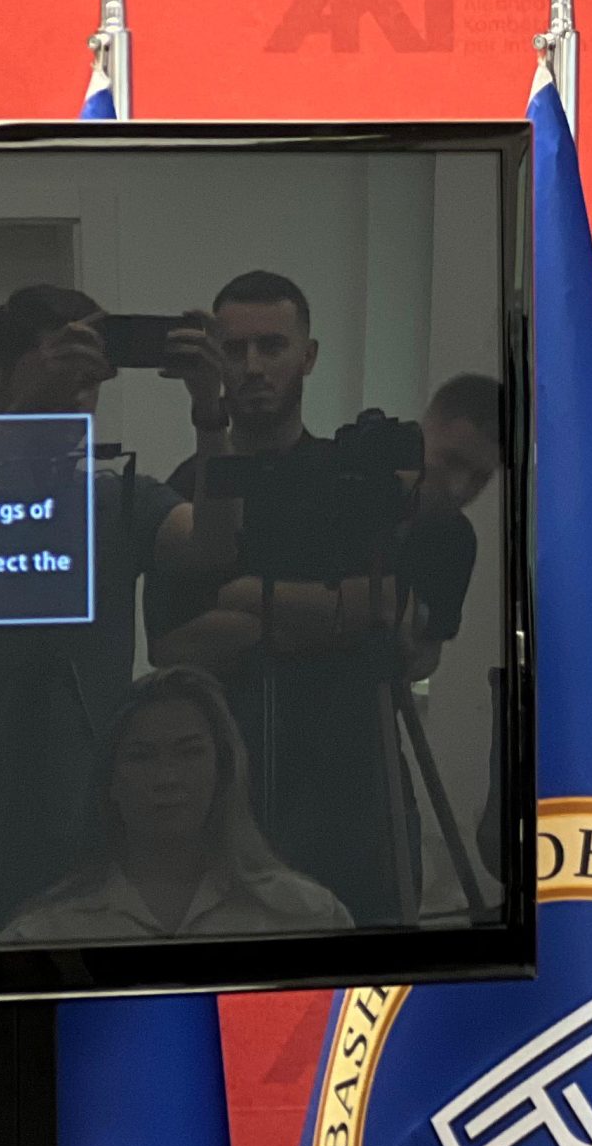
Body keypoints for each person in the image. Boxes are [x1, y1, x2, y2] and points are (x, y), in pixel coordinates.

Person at [146, 274, 479, 924]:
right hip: (226, 804)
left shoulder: (356, 483)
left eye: (272, 346)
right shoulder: (189, 492)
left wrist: (249, 603)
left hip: (359, 796)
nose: (252, 367)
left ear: (309, 355)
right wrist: (335, 613)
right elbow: (173, 648)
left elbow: (405, 624)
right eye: (234, 349)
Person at [0, 284, 236, 930]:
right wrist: (25, 413)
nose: (79, 394)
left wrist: (211, 414)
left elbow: (213, 545)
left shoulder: (115, 497)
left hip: (90, 800)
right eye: (61, 368)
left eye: (88, 378)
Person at [2, 665, 350, 943]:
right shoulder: (43, 937)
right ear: (110, 782)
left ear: (222, 770)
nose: (167, 778)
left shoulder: (306, 918)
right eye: (142, 756)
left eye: (190, 753)